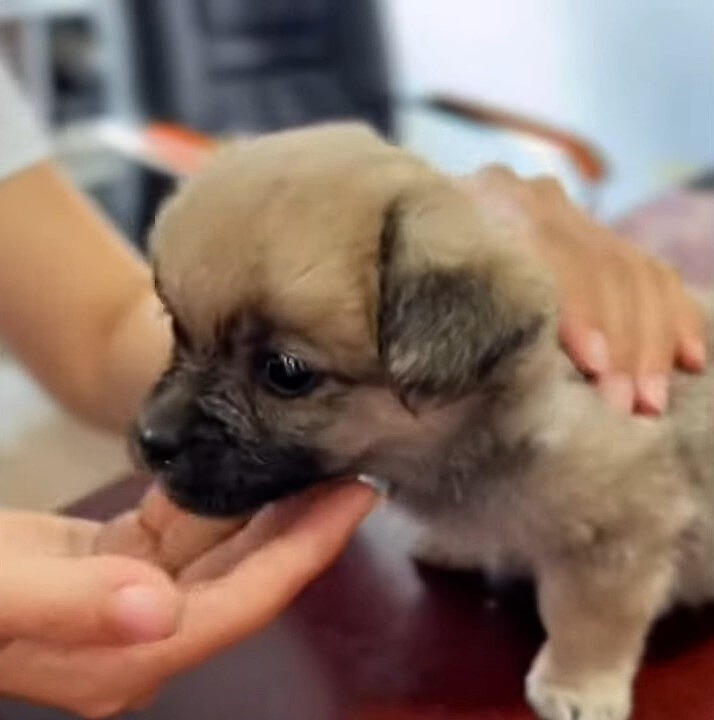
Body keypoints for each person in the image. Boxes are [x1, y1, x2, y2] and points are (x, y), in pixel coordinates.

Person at [0, 57, 705, 718]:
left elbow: (621, 533)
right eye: (179, 331)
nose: (161, 423)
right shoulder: (417, 397)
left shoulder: (567, 443)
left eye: (286, 375)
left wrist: (585, 664)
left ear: (452, 359)